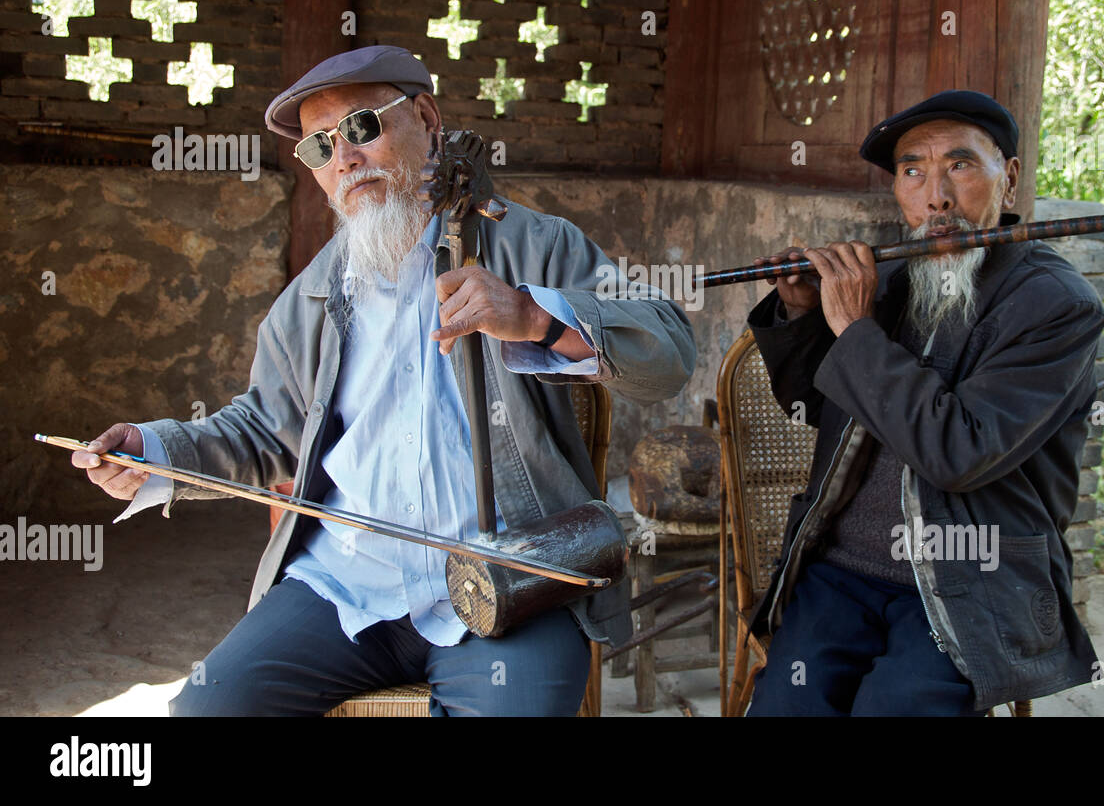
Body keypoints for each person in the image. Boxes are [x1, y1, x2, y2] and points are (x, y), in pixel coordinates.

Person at [70, 45, 696, 716]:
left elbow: (669, 351)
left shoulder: (530, 244)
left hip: (507, 580)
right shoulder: (310, 299)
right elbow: (264, 430)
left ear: (425, 117)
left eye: (361, 128)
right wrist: (154, 454)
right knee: (208, 707)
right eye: (318, 147)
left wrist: (532, 316)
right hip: (344, 582)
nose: (343, 157)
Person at [744, 90, 1104, 716]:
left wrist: (856, 331)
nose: (936, 196)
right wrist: (806, 315)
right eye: (913, 171)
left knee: (900, 707)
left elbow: (958, 453)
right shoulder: (886, 279)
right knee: (785, 705)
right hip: (842, 573)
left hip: (974, 581)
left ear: (1009, 180)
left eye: (960, 166)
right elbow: (810, 402)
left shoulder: (1056, 306)